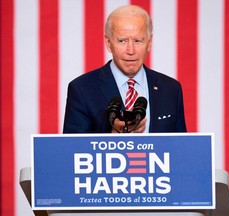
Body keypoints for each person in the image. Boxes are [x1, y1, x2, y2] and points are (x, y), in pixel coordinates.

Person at [63, 5, 186, 133]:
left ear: (149, 43)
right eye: (122, 41)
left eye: (138, 41)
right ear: (109, 43)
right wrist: (112, 138)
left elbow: (181, 147)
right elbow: (71, 149)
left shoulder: (171, 89)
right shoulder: (82, 89)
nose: (131, 51)